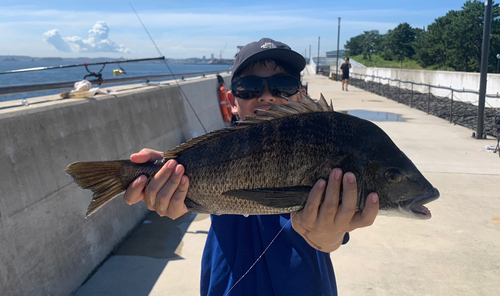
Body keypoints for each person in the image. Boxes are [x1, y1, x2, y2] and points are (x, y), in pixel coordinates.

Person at [123, 38, 379, 296]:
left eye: (283, 85)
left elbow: (329, 238)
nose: (266, 95)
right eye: (249, 87)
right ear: (232, 101)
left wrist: (328, 233)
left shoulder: (326, 150)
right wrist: (164, 175)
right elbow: (190, 177)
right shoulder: (220, 151)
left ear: (300, 96)